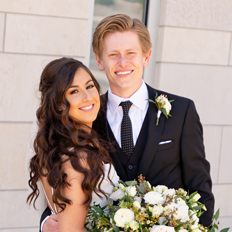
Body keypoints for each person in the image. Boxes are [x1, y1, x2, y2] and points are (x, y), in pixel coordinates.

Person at [40, 14, 214, 231]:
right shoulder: (85, 116)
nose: (123, 63)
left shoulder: (181, 111)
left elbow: (201, 192)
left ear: (146, 56)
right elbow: (65, 184)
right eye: (113, 54)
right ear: (99, 60)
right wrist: (46, 222)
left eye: (131, 53)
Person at [27, 57, 119, 232]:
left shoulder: (56, 147)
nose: (87, 97)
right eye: (74, 91)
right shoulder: (78, 159)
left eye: (90, 86)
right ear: (59, 104)